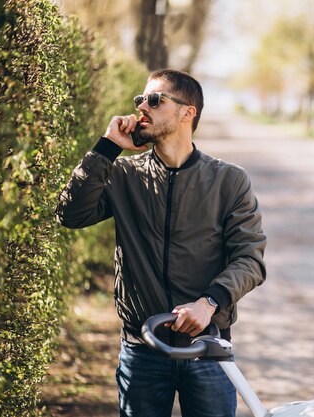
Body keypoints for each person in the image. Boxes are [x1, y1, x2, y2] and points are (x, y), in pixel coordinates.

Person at [56, 69, 266, 417]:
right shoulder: (124, 175)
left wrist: (209, 302)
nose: (142, 107)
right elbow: (70, 214)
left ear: (188, 113)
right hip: (142, 350)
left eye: (154, 100)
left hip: (209, 348)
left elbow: (250, 259)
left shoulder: (229, 181)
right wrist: (107, 147)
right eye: (140, 99)